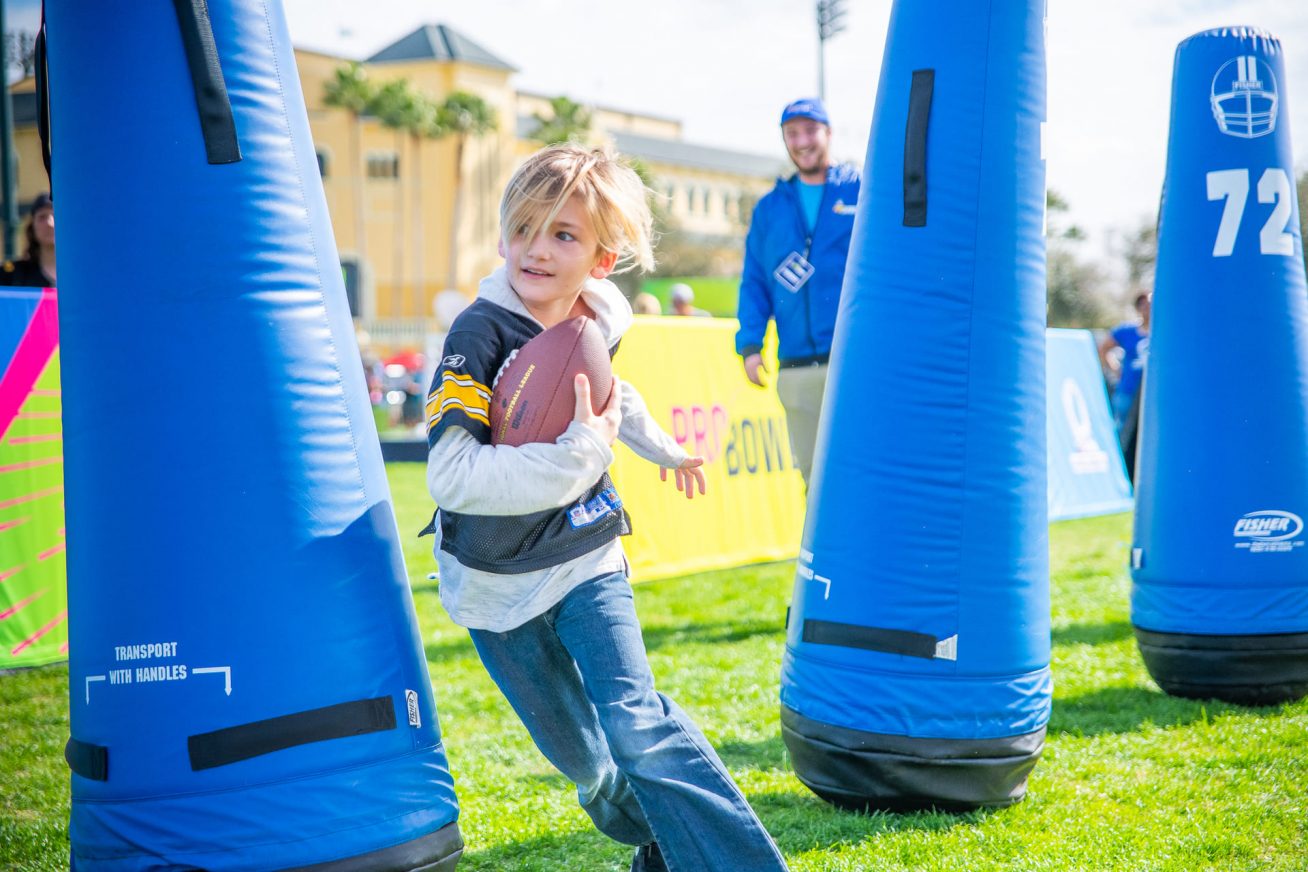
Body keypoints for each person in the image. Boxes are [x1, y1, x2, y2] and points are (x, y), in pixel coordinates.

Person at [423, 143, 790, 872]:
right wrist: (582, 453)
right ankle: (661, 845)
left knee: (637, 726)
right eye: (524, 229)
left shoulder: (598, 315)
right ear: (501, 237)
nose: (537, 249)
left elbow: (609, 395)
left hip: (585, 555)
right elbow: (453, 476)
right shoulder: (477, 334)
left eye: (563, 234)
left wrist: (663, 449)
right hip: (496, 584)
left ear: (601, 258)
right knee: (592, 769)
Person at [735, 97, 859, 487]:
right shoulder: (770, 209)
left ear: (828, 133)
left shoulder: (860, 191)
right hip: (796, 367)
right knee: (813, 476)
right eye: (792, 134)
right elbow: (755, 281)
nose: (802, 142)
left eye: (810, 131)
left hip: (854, 361)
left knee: (862, 469)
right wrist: (751, 345)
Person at [1099, 292, 1151, 432]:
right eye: (1143, 305)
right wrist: (1115, 369)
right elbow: (1103, 349)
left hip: (1150, 394)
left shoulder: (1162, 333)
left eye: (1150, 305)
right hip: (1128, 389)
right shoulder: (1127, 331)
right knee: (1120, 429)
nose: (1147, 309)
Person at [0, 193, 56, 287]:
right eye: (42, 217)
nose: (50, 223)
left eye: (56, 216)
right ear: (32, 227)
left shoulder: (81, 271)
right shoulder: (12, 275)